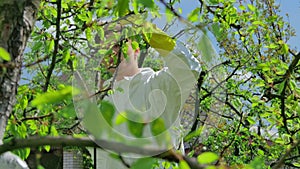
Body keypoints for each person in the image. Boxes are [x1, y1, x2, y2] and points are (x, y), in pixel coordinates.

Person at [76, 22, 201, 168]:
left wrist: (152, 33)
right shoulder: (101, 105)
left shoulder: (161, 84)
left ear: (136, 48)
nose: (112, 52)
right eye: (105, 48)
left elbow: (189, 69)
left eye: (117, 44)